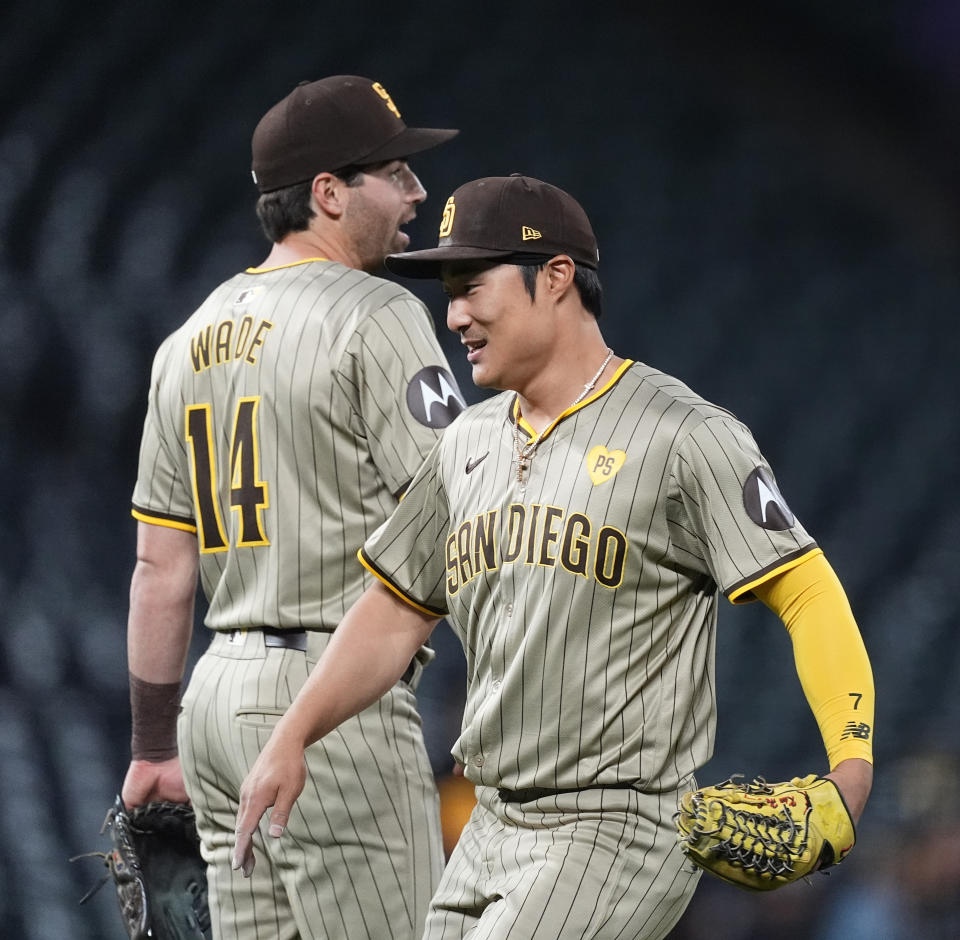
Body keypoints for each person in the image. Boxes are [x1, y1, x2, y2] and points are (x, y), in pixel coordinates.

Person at [233, 174, 875, 939]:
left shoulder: (681, 433)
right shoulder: (464, 444)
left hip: (616, 825)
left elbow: (805, 592)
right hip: (491, 822)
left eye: (472, 286)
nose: (455, 314)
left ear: (558, 278)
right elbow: (398, 610)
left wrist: (850, 775)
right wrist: (292, 733)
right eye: (448, 292)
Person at [120, 75, 465, 939]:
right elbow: (470, 509)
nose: (418, 193)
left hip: (213, 703)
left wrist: (153, 749)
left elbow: (161, 573)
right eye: (396, 171)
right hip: (331, 702)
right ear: (327, 193)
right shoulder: (378, 313)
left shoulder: (184, 341)